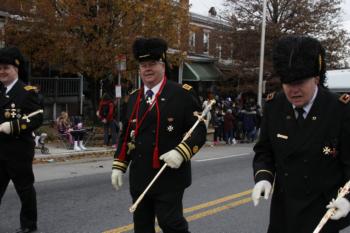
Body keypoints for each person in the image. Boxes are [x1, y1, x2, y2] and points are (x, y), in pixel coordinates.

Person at [251, 35, 350, 233]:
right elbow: (265, 151)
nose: (293, 90)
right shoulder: (274, 106)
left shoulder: (340, 110)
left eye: (300, 82)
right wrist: (263, 177)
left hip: (322, 212)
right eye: (288, 83)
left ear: (316, 78)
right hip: (283, 212)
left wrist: (348, 200)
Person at [110, 37, 207, 233]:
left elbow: (199, 129)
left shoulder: (181, 93)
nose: (147, 69)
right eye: (143, 65)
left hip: (168, 176)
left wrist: (181, 152)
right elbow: (127, 135)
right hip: (140, 177)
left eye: (152, 64)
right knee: (142, 227)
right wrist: (119, 165)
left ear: (163, 65)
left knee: (170, 224)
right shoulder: (134, 98)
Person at [0, 47, 43, 233]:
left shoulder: (26, 92)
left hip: (18, 150)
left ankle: (28, 226)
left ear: (16, 69)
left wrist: (14, 126)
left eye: (6, 67)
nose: (2, 71)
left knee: (24, 190)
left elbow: (37, 116)